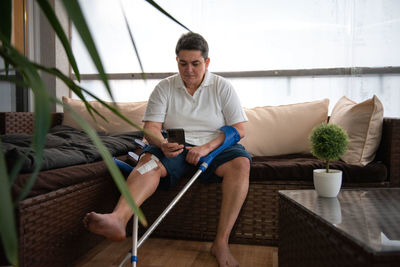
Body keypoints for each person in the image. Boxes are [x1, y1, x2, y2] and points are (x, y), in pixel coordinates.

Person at [83, 32, 251, 267]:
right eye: (183, 63)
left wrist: (206, 148)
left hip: (214, 148)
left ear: (207, 62)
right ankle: (117, 219)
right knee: (149, 160)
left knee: (241, 164)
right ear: (177, 62)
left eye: (195, 63)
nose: (189, 70)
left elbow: (239, 129)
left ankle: (221, 242)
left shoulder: (222, 87)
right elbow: (151, 128)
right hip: (175, 148)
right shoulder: (164, 87)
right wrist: (161, 143)